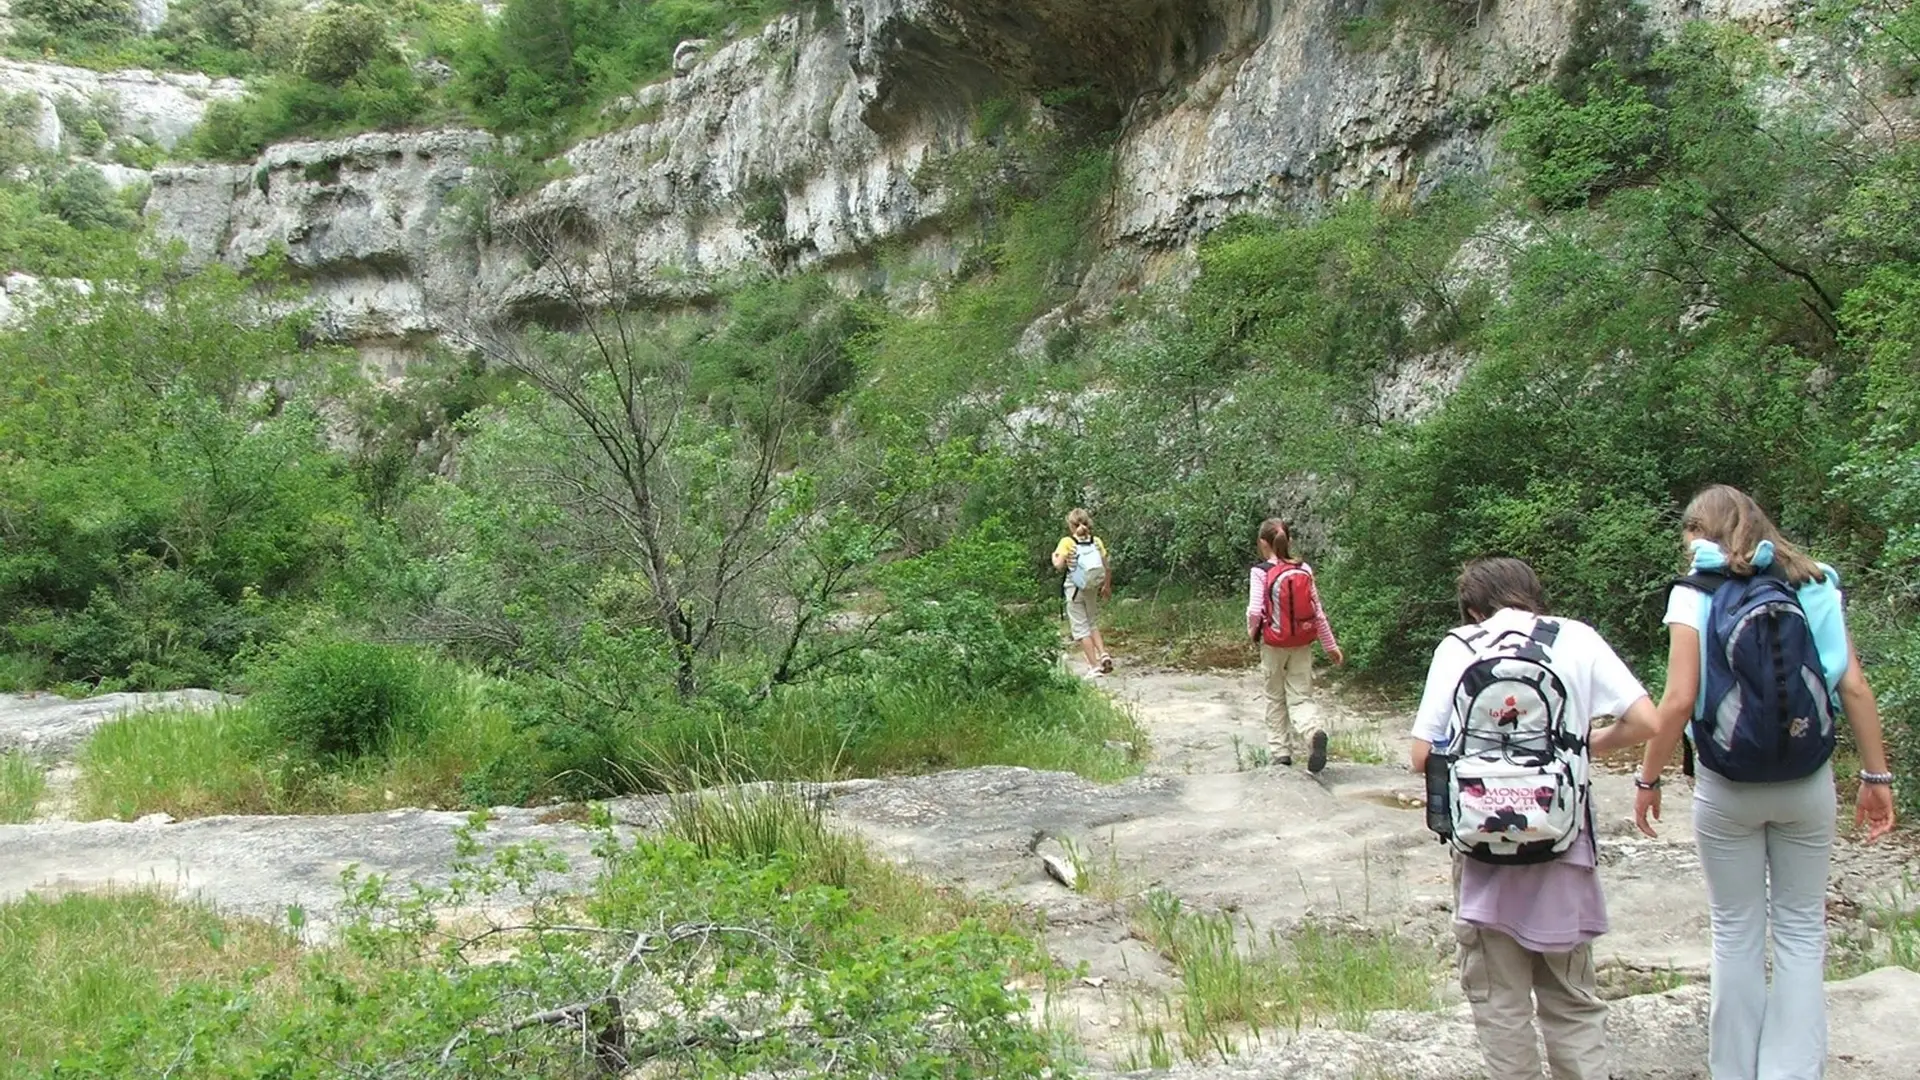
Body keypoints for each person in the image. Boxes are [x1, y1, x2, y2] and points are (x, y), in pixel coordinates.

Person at [1633, 485, 1896, 1080]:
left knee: (1735, 932)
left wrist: (1648, 779)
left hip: (1727, 787)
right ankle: (1793, 1071)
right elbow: (1852, 685)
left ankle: (1734, 1070)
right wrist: (1876, 775)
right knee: (1802, 929)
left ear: (1700, 531)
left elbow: (1677, 702)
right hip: (1807, 780)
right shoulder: (1815, 581)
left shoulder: (1693, 592)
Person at [1410, 556, 1663, 1080]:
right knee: (1571, 997)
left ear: (1473, 608)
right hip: (1562, 843)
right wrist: (1588, 743)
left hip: (1483, 850)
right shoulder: (1575, 637)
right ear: (1532, 595)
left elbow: (1421, 755)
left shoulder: (1458, 646)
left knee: (1500, 1003)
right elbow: (1647, 720)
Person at [1245, 518, 1343, 771]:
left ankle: (1281, 754)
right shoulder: (1304, 569)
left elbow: (1255, 609)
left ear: (1262, 543)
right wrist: (1330, 645)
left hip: (1273, 644)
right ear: (1288, 541)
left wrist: (1253, 633)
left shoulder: (1260, 572)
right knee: (1300, 695)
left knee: (1275, 697)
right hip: (1302, 642)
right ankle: (1312, 733)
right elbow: (1318, 612)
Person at [1051, 508, 1113, 675]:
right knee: (1092, 623)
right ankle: (1103, 654)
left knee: (1080, 628)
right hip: (1092, 587)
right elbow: (1106, 566)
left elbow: (1058, 565)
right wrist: (1106, 586)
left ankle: (1094, 667)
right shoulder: (1096, 541)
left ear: (1071, 525)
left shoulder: (1068, 542)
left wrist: (1054, 557)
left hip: (1075, 588)